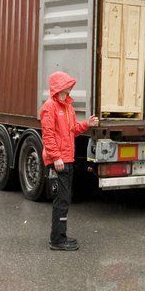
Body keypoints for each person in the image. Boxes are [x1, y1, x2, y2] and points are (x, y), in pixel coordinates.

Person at [40, 71, 99, 251]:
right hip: (59, 161)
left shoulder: (68, 107)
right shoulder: (49, 107)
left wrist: (87, 124)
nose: (70, 87)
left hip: (67, 159)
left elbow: (72, 130)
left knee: (64, 199)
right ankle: (57, 240)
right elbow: (48, 135)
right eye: (67, 84)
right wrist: (56, 157)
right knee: (62, 199)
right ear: (59, 87)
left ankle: (60, 237)